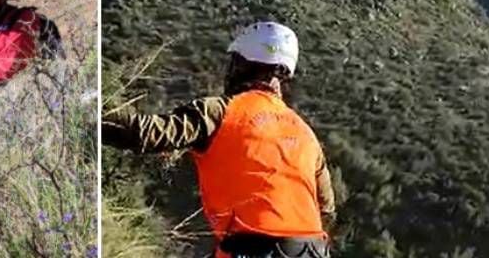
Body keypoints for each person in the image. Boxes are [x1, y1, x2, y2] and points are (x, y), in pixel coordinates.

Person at [103, 22, 336, 258]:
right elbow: (326, 210)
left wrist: (94, 113)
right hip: (313, 250)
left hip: (253, 250)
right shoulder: (306, 133)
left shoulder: (221, 111)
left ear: (242, 65)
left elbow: (146, 132)